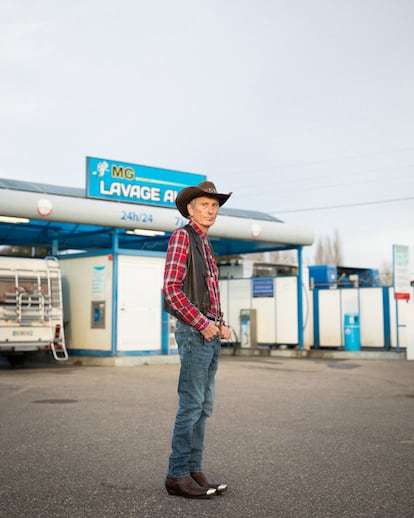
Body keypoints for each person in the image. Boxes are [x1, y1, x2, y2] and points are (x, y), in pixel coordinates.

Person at [163, 180, 232, 499]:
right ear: (190, 208)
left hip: (209, 330)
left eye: (215, 205)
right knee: (191, 404)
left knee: (204, 406)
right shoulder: (183, 237)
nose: (211, 210)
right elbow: (172, 290)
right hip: (194, 332)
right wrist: (203, 323)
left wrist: (221, 323)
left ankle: (194, 470)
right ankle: (177, 475)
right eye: (205, 204)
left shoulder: (205, 243)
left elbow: (209, 292)